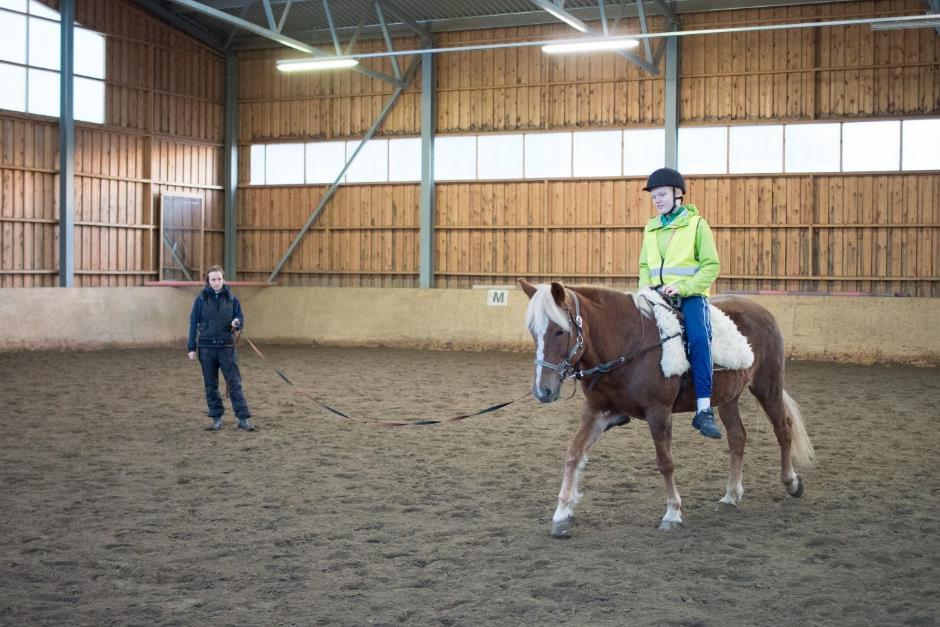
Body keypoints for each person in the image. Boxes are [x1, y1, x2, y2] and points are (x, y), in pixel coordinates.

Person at [638, 167, 722, 439]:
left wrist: (684, 288)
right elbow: (643, 265)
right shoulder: (651, 227)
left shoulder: (698, 225)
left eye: (661, 194)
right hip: (656, 295)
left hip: (690, 296)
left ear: (678, 194)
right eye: (654, 197)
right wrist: (645, 289)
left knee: (699, 338)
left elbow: (711, 266)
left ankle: (704, 409)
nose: (657, 200)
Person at [187, 265, 257, 432]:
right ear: (208, 281)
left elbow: (240, 317)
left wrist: (237, 323)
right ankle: (216, 419)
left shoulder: (232, 299)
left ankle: (242, 418)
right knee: (210, 385)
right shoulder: (200, 300)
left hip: (227, 347)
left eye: (219, 279)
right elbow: (193, 323)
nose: (217, 282)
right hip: (205, 348)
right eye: (213, 279)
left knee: (234, 383)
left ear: (223, 280)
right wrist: (191, 347)